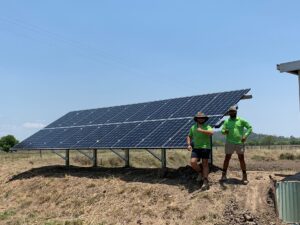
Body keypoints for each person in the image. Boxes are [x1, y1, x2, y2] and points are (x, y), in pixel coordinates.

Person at [221, 106, 252, 184]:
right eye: (230, 112)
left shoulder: (241, 120)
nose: (232, 113)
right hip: (229, 142)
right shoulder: (226, 121)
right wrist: (225, 131)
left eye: (233, 111)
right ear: (229, 113)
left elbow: (250, 128)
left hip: (239, 143)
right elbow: (222, 131)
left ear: (236, 112)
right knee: (227, 158)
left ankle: (244, 177)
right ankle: (223, 175)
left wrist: (245, 135)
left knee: (241, 159)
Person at [187, 112, 214, 190]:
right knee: (193, 162)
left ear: (204, 119)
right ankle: (200, 172)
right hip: (196, 148)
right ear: (196, 119)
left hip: (205, 147)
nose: (201, 119)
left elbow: (211, 132)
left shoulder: (207, 126)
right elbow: (189, 136)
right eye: (199, 118)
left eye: (202, 118)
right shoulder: (193, 127)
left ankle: (205, 181)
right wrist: (189, 144)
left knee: (205, 163)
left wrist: (202, 130)